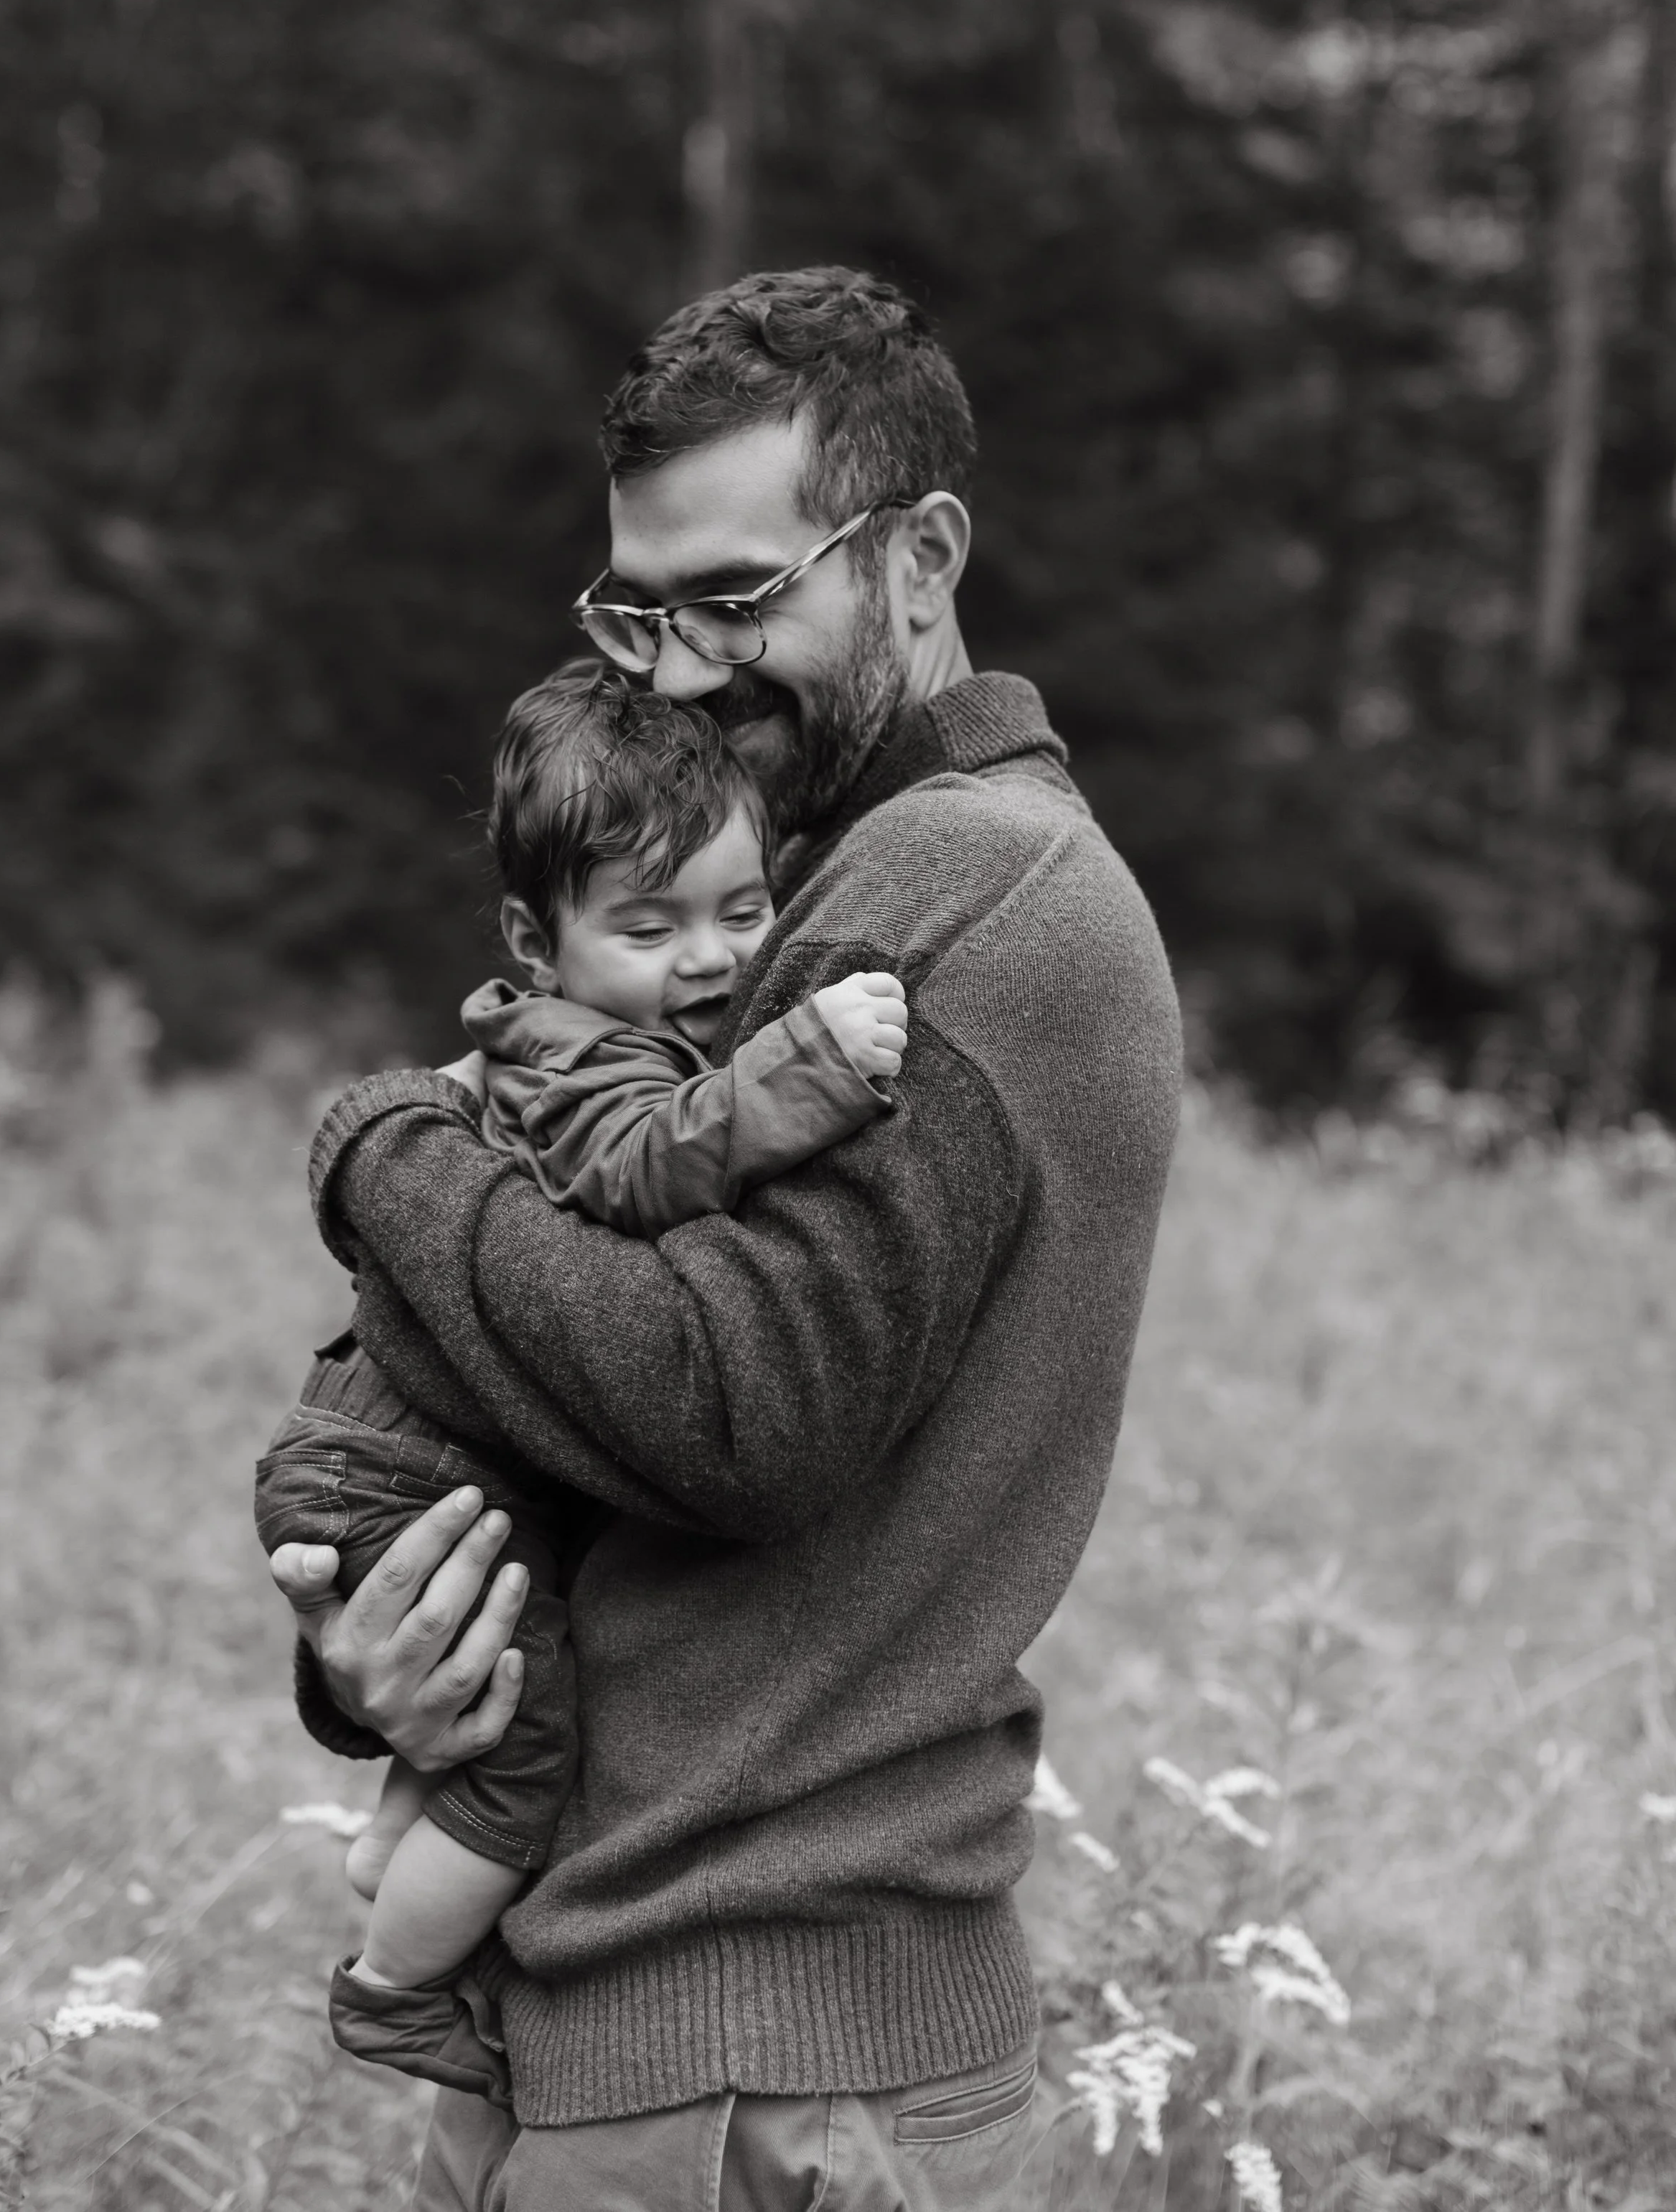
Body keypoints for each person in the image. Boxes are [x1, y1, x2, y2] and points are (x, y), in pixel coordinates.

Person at [270, 266, 1184, 2210]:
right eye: (639, 607)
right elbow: (596, 1420)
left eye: (739, 597)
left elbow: (721, 1405)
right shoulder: (797, 890)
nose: (677, 670)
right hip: (668, 2026)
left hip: (762, 2059)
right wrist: (393, 1642)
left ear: (921, 556)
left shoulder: (953, 888)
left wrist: (378, 1151)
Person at [255, 661, 907, 2081]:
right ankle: (392, 1991)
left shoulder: (569, 1035)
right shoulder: (587, 1063)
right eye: (648, 925)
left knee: (497, 1670)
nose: (710, 958)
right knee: (523, 1767)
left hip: (384, 1441)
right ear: (531, 936)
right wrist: (806, 1063)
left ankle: (393, 1843)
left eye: (744, 912)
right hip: (403, 1462)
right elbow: (641, 1162)